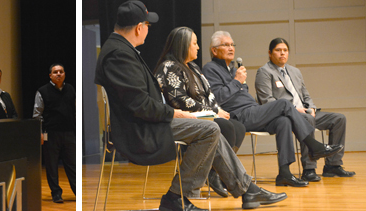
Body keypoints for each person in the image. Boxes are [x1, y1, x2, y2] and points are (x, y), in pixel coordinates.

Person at [94, 1, 286, 210]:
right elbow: (139, 104)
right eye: (148, 26)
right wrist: (174, 113)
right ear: (139, 27)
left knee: (211, 127)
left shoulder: (121, 50)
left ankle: (247, 190)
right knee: (209, 129)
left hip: (147, 120)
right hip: (140, 128)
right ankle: (176, 198)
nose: (148, 30)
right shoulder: (118, 54)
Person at [201, 31, 343, 188]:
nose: (231, 48)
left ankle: (284, 173)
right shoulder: (210, 69)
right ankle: (313, 145)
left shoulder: (235, 70)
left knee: (283, 121)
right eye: (225, 45)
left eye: (232, 45)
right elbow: (217, 98)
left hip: (252, 111)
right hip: (238, 116)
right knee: (283, 104)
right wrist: (236, 81)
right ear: (214, 50)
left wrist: (237, 80)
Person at [153, 27, 246, 198]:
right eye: (194, 43)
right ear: (182, 45)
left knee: (238, 127)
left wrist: (217, 110)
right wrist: (213, 113)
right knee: (225, 126)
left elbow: (209, 94)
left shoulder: (193, 67)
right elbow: (180, 100)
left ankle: (215, 172)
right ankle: (217, 173)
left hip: (203, 114)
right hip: (185, 118)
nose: (197, 47)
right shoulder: (169, 67)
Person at [255, 38, 355, 181]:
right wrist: (295, 110)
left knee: (339, 119)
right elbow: (267, 102)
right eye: (278, 50)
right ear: (270, 53)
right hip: (285, 115)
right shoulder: (264, 72)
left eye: (285, 50)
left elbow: (306, 95)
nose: (282, 53)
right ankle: (309, 169)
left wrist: (312, 108)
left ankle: (333, 165)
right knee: (307, 119)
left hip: (305, 112)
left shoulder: (295, 71)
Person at [33, 63, 76, 203]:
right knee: (51, 166)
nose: (58, 74)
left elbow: (75, 110)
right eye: (55, 72)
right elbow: (37, 114)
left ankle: (77, 191)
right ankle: (56, 193)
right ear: (50, 75)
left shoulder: (70, 89)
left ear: (64, 74)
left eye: (61, 71)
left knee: (72, 165)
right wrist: (39, 132)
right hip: (50, 134)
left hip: (69, 133)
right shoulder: (42, 91)